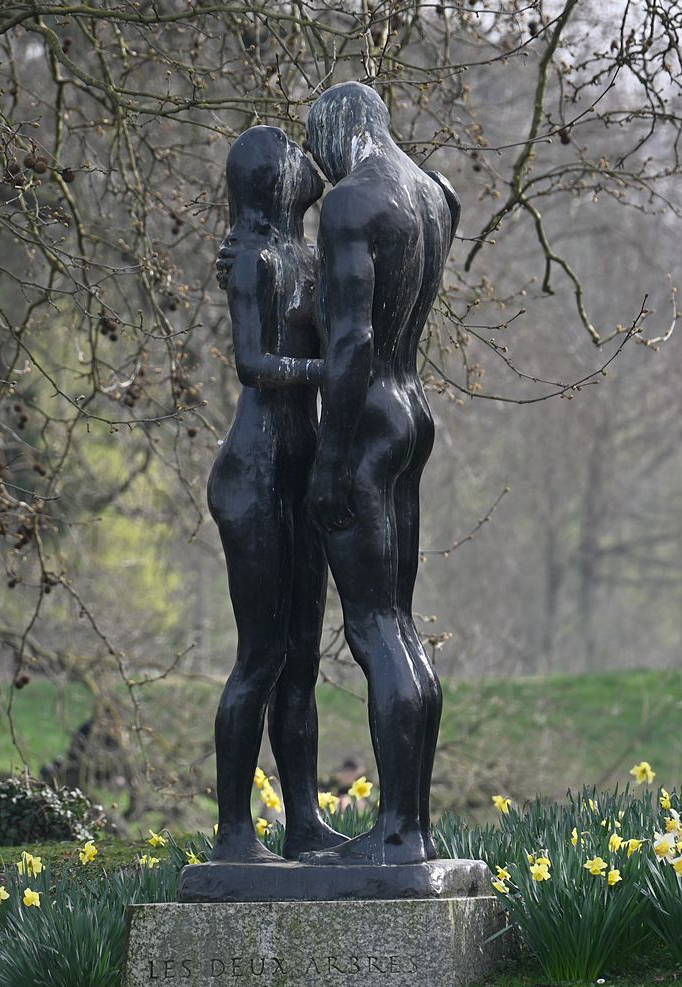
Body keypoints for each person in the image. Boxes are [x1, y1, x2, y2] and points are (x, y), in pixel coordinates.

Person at [300, 82, 460, 864]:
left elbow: (353, 339)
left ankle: (396, 831)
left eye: (318, 147)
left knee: (374, 629)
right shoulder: (434, 195)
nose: (320, 166)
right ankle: (412, 826)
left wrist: (330, 460)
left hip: (364, 421)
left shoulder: (351, 202)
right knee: (399, 624)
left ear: (339, 130)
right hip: (412, 411)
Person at [205, 125, 348, 863]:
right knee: (260, 656)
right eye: (294, 153)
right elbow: (253, 364)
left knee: (301, 662)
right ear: (270, 177)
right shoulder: (254, 260)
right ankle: (235, 832)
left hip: (299, 469)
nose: (310, 161)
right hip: (254, 472)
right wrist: (331, 372)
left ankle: (304, 823)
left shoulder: (310, 259)